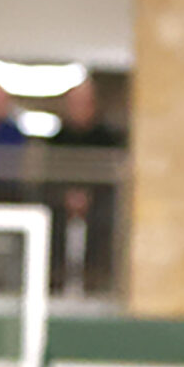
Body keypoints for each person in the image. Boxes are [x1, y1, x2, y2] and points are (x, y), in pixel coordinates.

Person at [43, 81, 124, 296]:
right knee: (52, 218)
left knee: (105, 219)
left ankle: (96, 281)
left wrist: (88, 196)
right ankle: (55, 280)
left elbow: (111, 176)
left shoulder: (107, 138)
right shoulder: (57, 139)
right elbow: (49, 172)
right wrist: (66, 195)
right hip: (62, 199)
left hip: (97, 199)